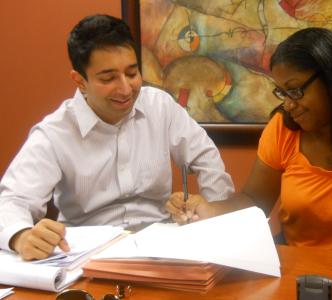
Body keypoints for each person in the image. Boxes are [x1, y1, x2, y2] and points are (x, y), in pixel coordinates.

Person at [166, 28, 332, 258]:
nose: (288, 104)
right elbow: (254, 200)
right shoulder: (284, 128)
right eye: (282, 93)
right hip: (299, 271)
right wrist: (209, 209)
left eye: (295, 91)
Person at [0, 14, 234, 260]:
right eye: (108, 78)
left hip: (160, 243)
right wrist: (21, 235)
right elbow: (13, 199)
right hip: (86, 255)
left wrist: (214, 216)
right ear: (80, 81)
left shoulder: (160, 106)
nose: (125, 89)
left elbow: (206, 157)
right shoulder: (54, 133)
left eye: (132, 73)